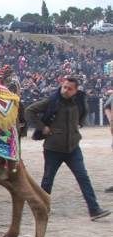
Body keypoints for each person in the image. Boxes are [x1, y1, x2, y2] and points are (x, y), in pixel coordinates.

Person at [26, 77, 110, 221]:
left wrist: (80, 123)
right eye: (64, 87)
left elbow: (84, 112)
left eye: (69, 88)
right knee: (47, 180)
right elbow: (29, 111)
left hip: (73, 148)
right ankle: (42, 209)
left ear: (76, 91)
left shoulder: (79, 101)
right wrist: (43, 128)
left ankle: (94, 210)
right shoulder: (52, 101)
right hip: (53, 148)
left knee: (83, 178)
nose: (65, 90)